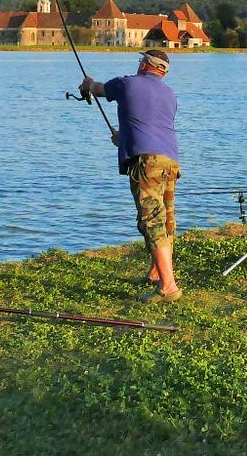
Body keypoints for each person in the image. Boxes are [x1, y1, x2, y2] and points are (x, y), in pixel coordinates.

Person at [79, 49, 182, 303]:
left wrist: (88, 84)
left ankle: (168, 286)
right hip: (170, 160)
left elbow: (99, 89)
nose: (138, 64)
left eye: (140, 60)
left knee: (151, 219)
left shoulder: (127, 83)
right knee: (166, 216)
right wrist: (123, 138)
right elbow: (150, 124)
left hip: (146, 162)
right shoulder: (169, 95)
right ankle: (157, 271)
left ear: (146, 64)